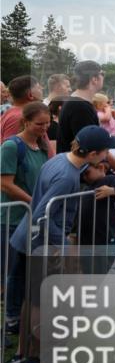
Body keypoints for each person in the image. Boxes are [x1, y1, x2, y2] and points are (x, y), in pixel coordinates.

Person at [4, 126, 115, 340]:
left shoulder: (60, 159)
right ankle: (37, 354)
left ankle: (27, 354)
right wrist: (64, 245)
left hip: (27, 235)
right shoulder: (67, 177)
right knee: (41, 300)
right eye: (105, 152)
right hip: (42, 242)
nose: (107, 157)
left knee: (32, 298)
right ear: (93, 154)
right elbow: (43, 215)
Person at [0, 103, 51, 270]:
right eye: (39, 124)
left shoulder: (42, 146)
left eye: (47, 123)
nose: (44, 128)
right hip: (12, 219)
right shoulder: (11, 146)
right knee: (9, 271)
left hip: (33, 218)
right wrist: (35, 202)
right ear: (26, 122)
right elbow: (5, 184)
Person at [57, 60, 103, 153]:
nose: (103, 77)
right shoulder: (80, 107)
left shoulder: (76, 103)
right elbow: (87, 149)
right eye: (102, 74)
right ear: (94, 79)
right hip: (78, 166)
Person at [0, 75, 47, 146]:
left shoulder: (14, 112)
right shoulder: (19, 117)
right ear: (30, 95)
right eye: (38, 88)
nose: (42, 90)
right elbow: (10, 149)